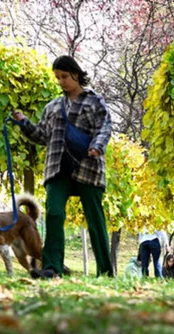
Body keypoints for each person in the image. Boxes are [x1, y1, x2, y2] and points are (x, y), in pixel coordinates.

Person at [13, 55, 113, 279]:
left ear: (76, 74)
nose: (61, 81)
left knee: (96, 220)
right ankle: (52, 268)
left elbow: (104, 128)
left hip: (89, 167)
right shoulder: (53, 107)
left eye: (64, 76)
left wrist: (97, 146)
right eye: (57, 77)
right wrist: (24, 123)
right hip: (57, 169)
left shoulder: (95, 101)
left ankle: (105, 272)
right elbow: (42, 136)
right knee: (55, 214)